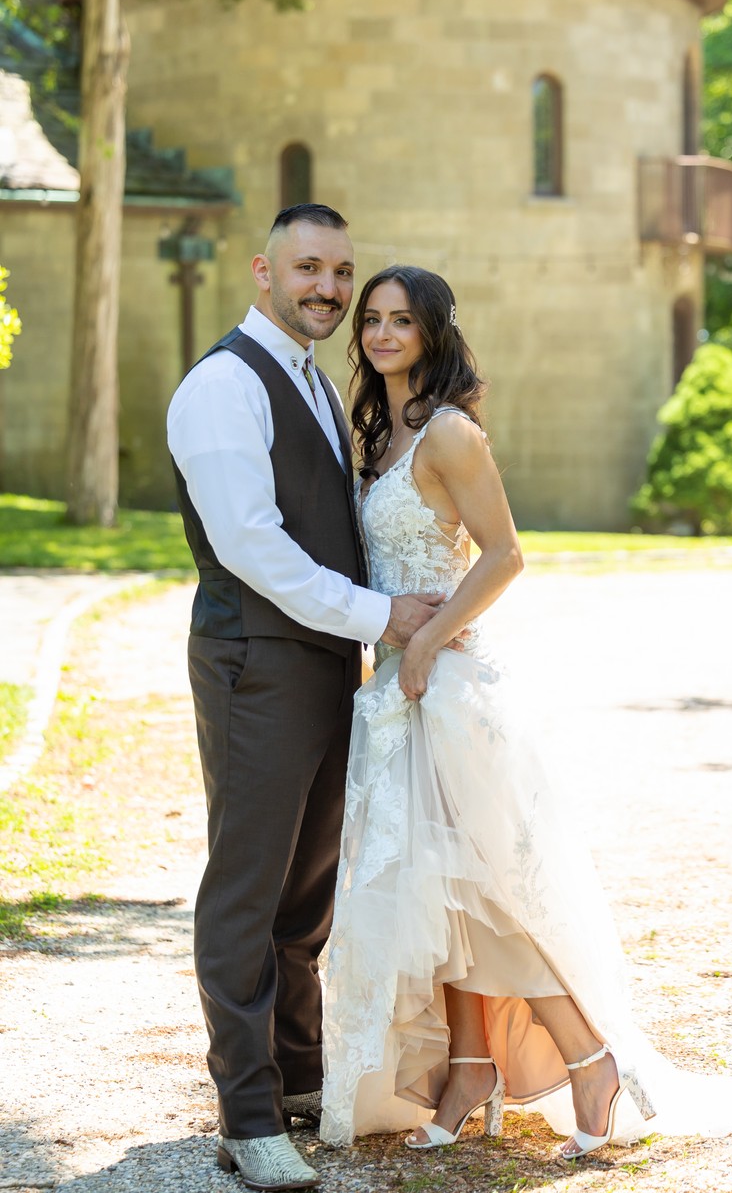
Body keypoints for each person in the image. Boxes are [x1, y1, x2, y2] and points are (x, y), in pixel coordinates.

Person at [319, 265, 732, 1158]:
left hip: (441, 691)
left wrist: (433, 640)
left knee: (489, 891)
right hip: (393, 691)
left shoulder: (447, 433)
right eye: (373, 319)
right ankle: (470, 1066)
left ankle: (588, 1056)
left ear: (434, 332)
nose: (382, 333)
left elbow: (504, 555)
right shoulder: (380, 435)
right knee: (436, 893)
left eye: (402, 320)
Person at [167, 207, 445, 1192]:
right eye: (307, 267)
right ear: (263, 270)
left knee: (304, 893)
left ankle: (293, 1076)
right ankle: (244, 1114)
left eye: (341, 270)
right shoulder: (221, 386)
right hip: (258, 664)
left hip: (329, 664)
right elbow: (251, 545)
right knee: (247, 887)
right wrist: (379, 614)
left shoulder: (318, 383)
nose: (327, 287)